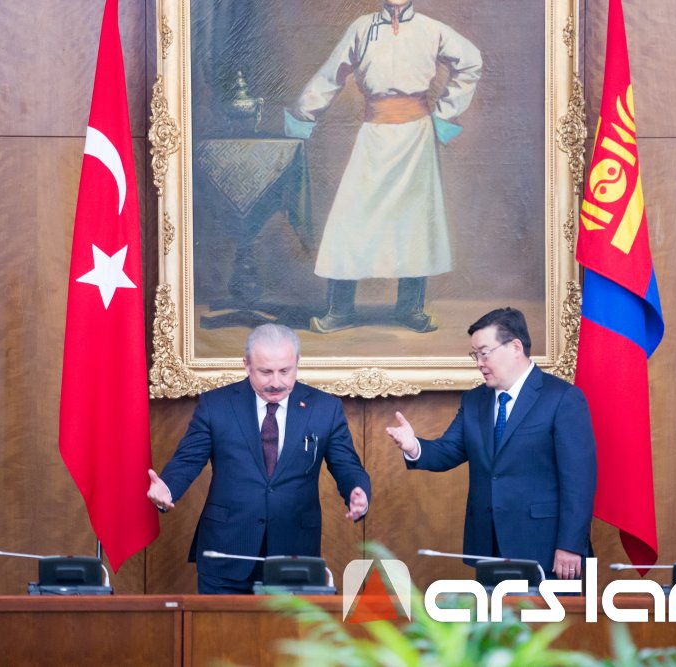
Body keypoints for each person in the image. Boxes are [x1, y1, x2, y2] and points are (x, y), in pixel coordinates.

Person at [285, 1, 483, 334]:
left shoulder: (431, 29)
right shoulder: (362, 28)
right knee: (350, 220)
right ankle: (340, 310)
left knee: (415, 224)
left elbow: (471, 60)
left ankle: (409, 309)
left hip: (417, 139)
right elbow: (331, 74)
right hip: (374, 136)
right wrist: (304, 114)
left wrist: (446, 113)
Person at [147, 324, 371, 593]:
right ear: (246, 365)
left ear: (297, 363)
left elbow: (347, 465)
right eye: (265, 372)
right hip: (226, 549)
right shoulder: (216, 405)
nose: (276, 382)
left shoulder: (325, 408)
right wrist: (168, 487)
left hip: (294, 551)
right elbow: (188, 459)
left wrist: (358, 491)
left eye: (285, 371)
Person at [385, 307, 596, 579]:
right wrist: (414, 447)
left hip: (546, 549)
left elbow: (579, 482)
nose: (479, 363)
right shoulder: (475, 400)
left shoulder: (562, 398)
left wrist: (570, 544)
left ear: (515, 347)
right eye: (475, 355)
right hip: (488, 546)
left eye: (484, 353)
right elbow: (449, 449)